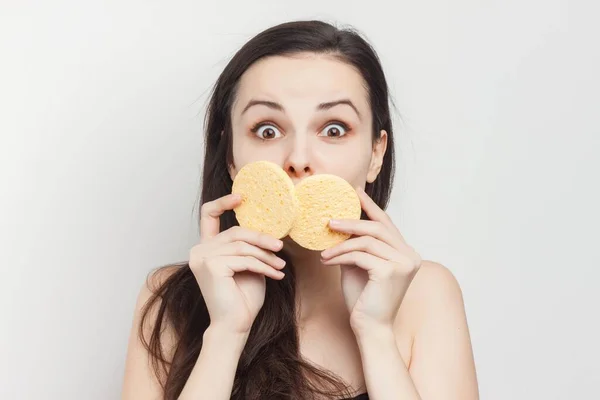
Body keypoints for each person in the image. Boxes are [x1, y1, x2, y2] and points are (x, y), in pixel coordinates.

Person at [121, 20, 479, 400]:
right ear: (231, 158)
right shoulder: (169, 299)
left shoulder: (426, 293)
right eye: (268, 130)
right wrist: (225, 333)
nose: (298, 159)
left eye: (335, 129)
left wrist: (376, 334)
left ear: (376, 153)